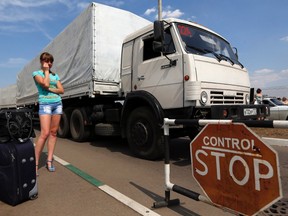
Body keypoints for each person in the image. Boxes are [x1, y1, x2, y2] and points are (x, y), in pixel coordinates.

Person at [33, 52, 64, 175]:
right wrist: (46, 71)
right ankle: (34, 164)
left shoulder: (55, 75)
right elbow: (44, 84)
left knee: (53, 133)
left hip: (57, 104)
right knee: (44, 133)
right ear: (41, 61)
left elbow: (61, 90)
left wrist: (51, 89)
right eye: (46, 61)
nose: (49, 63)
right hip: (45, 104)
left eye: (51, 61)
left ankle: (49, 160)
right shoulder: (36, 74)